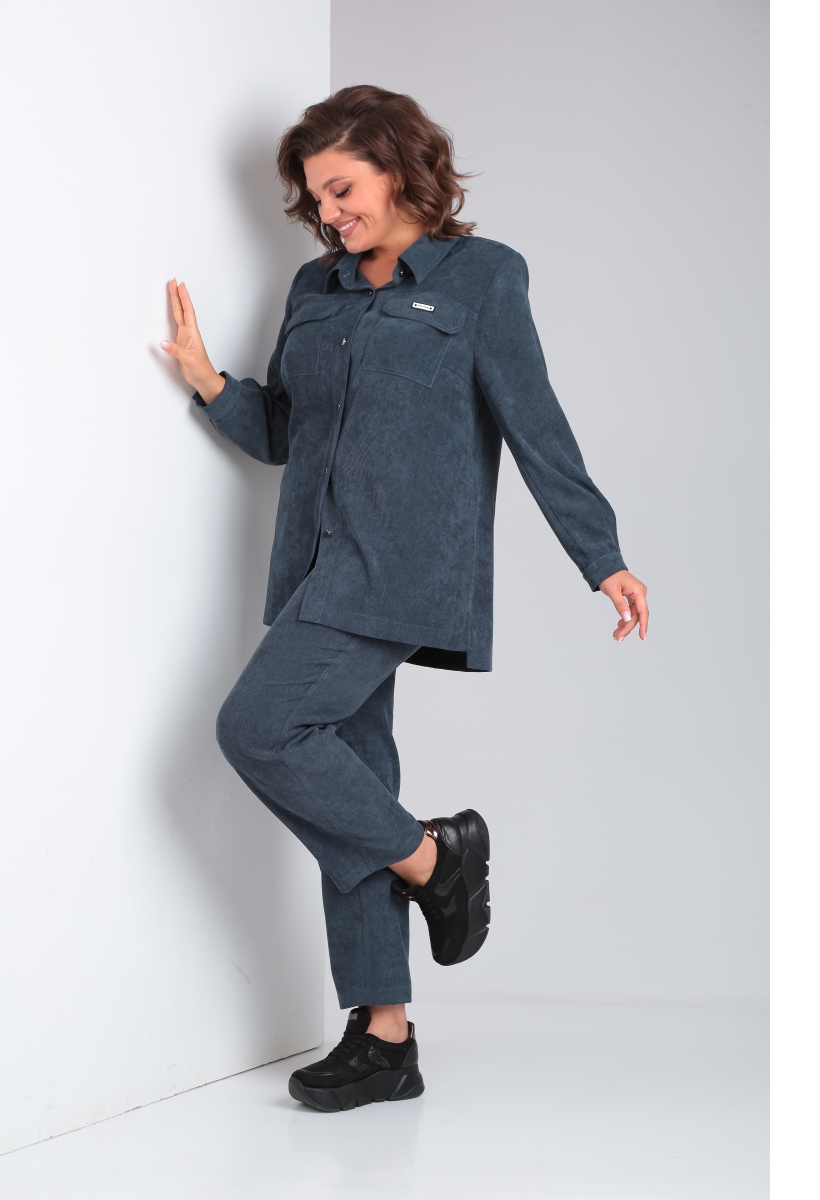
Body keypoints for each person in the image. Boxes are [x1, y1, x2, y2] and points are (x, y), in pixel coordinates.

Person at [160, 85, 648, 1113]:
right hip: (313, 567)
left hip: (402, 568)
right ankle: (385, 1034)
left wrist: (599, 555)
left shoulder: (484, 277)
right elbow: (283, 431)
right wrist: (209, 381)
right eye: (316, 198)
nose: (329, 212)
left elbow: (536, 425)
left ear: (399, 166)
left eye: (343, 189)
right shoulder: (316, 287)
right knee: (351, 789)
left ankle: (437, 858)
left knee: (259, 729)